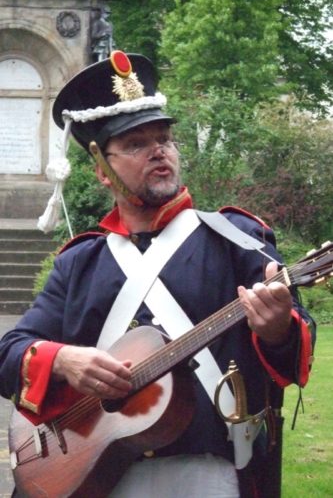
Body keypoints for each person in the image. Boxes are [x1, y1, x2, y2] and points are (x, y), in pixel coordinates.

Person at [0, 50, 315, 498]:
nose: (159, 151)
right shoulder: (80, 261)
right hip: (93, 475)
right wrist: (64, 361)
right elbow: (9, 353)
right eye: (135, 144)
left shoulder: (238, 238)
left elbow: (297, 350)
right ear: (102, 170)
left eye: (164, 138)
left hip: (207, 471)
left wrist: (278, 328)